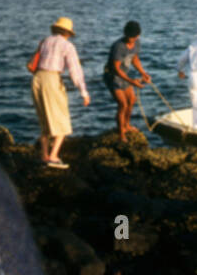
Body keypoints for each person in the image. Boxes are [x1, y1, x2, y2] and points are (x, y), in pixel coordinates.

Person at [28, 17, 90, 169]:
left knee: (44, 121)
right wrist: (83, 92)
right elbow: (75, 70)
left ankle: (44, 156)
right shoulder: (67, 46)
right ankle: (53, 157)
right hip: (52, 79)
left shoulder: (45, 41)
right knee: (62, 121)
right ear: (68, 33)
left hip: (37, 78)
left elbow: (31, 64)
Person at [104, 20, 150, 137]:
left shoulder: (137, 43)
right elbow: (116, 69)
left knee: (131, 101)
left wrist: (143, 73)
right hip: (113, 76)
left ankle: (127, 125)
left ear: (138, 36)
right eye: (128, 36)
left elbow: (134, 59)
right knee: (122, 104)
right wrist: (132, 82)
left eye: (133, 37)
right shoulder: (118, 46)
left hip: (124, 75)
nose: (130, 39)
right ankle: (121, 133)